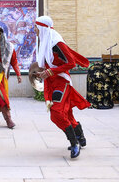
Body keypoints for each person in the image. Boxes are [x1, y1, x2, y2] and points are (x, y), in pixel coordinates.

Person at [34, 15, 91, 159]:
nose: (34, 29)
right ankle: (80, 136)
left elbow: (71, 63)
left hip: (61, 81)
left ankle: (74, 143)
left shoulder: (56, 42)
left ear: (42, 27)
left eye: (36, 26)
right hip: (51, 81)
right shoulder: (46, 41)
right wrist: (44, 73)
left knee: (57, 113)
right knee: (66, 113)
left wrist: (51, 71)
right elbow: (49, 65)